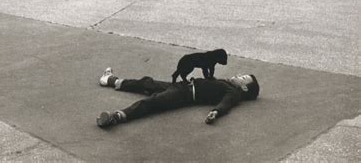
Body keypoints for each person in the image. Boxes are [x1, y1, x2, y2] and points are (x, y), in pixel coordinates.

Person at [96, 67, 259, 128]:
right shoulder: (227, 84)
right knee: (148, 83)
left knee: (153, 102)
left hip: (184, 95)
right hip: (182, 86)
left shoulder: (233, 93)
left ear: (244, 88)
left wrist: (216, 112)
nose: (238, 75)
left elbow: (226, 104)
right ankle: (111, 80)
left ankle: (116, 117)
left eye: (243, 78)